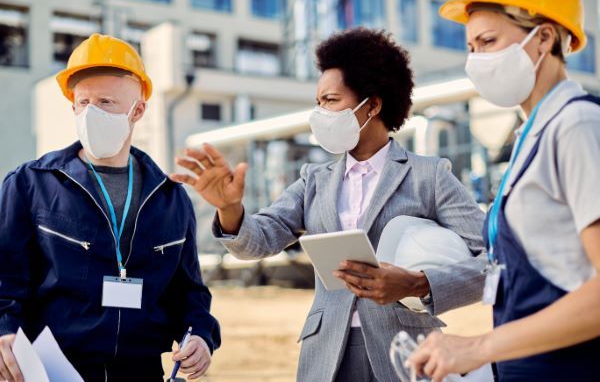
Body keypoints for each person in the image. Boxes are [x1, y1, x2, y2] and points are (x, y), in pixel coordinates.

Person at [171, 28, 486, 382]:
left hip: (406, 350)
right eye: (318, 102)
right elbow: (257, 241)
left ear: (373, 105)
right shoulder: (314, 179)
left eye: (331, 100)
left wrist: (418, 283)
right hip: (326, 354)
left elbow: (489, 264)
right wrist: (229, 209)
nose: (320, 113)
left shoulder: (429, 176)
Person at [0, 33, 220, 382]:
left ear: (138, 110)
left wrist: (200, 336)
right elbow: (6, 278)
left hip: (141, 371)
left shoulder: (169, 196)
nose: (90, 113)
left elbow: (189, 291)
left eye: (105, 102)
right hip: (51, 371)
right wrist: (4, 329)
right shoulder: (30, 184)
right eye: (82, 101)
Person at [408, 0, 600, 381]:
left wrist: (477, 347)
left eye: (488, 41)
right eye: (471, 47)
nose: (475, 60)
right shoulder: (532, 135)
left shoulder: (577, 126)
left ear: (544, 37)